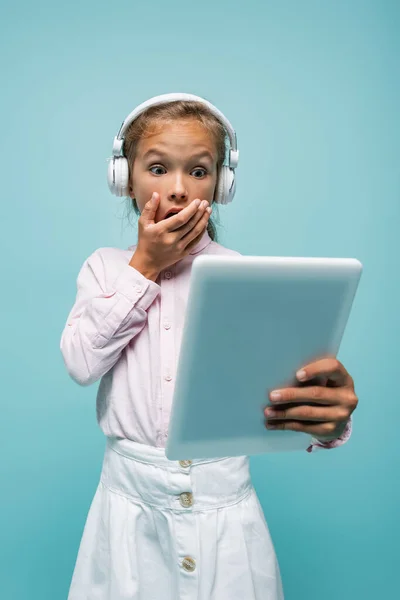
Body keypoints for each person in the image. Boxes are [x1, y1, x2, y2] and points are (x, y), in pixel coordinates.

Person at [60, 93, 358, 599]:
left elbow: (274, 391)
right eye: (157, 168)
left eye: (198, 172)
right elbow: (81, 362)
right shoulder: (105, 269)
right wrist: (146, 267)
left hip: (226, 516)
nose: (177, 189)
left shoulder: (245, 276)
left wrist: (329, 425)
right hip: (128, 512)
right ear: (124, 179)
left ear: (222, 185)